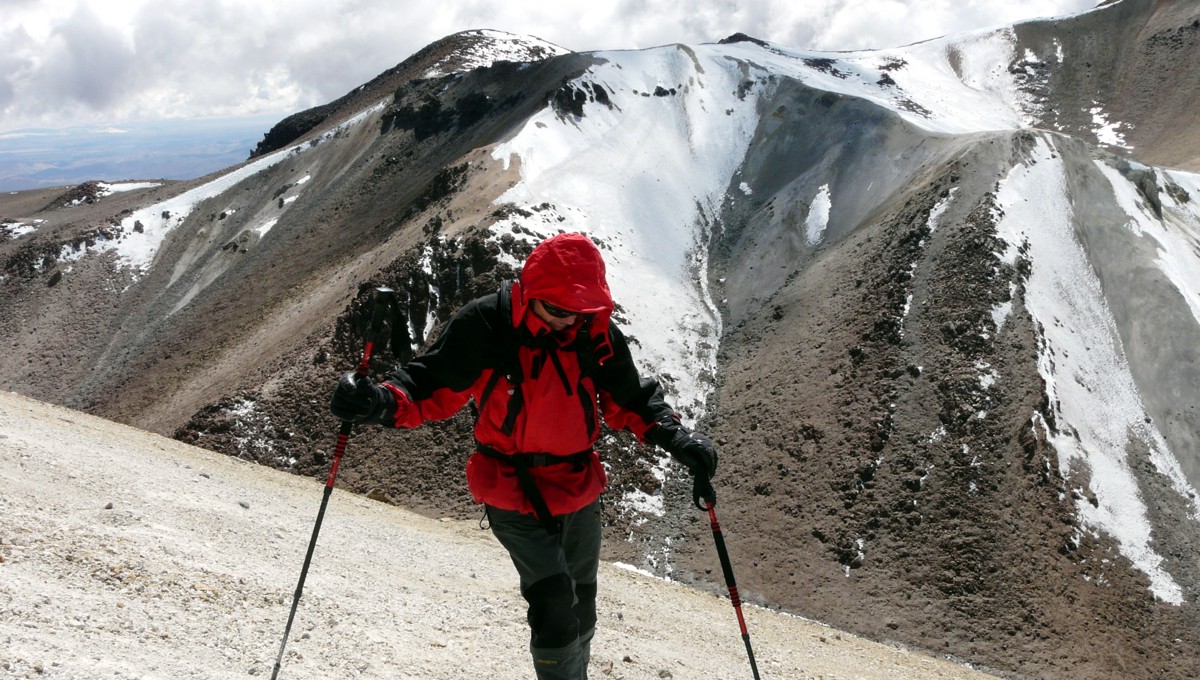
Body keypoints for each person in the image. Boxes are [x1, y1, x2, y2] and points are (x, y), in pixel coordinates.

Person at [329, 232, 718, 680]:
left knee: (582, 604)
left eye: (577, 311)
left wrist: (677, 439)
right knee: (554, 604)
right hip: (510, 488)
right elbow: (428, 384)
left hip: (578, 487)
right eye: (556, 310)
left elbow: (631, 399)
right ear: (530, 293)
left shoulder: (592, 331)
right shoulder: (487, 325)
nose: (566, 321)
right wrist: (379, 401)